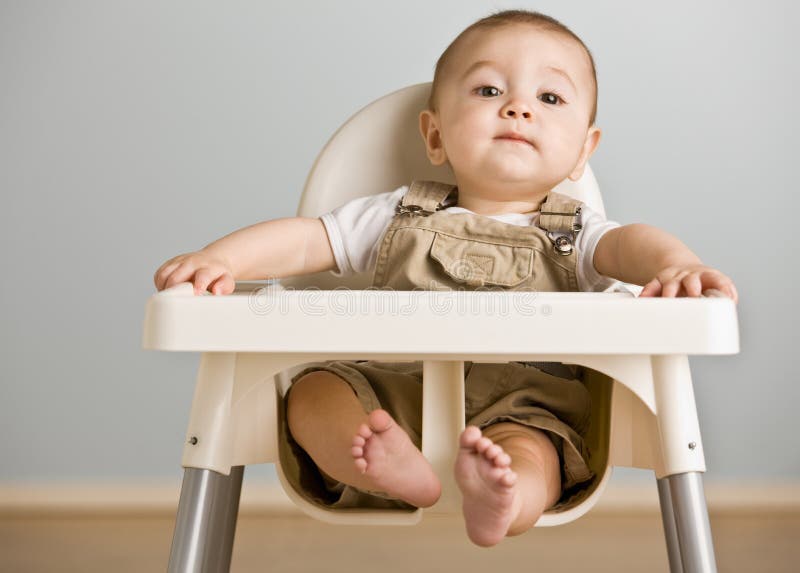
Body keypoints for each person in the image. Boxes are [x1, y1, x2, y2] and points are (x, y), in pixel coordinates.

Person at [154, 10, 738, 547]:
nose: (518, 107)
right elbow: (307, 239)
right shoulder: (394, 215)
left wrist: (676, 264)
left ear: (583, 150)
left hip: (524, 403)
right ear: (434, 135)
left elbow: (633, 242)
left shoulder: (579, 233)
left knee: (536, 455)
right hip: (388, 395)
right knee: (313, 393)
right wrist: (223, 260)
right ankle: (386, 464)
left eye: (550, 96)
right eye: (489, 90)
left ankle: (503, 498)